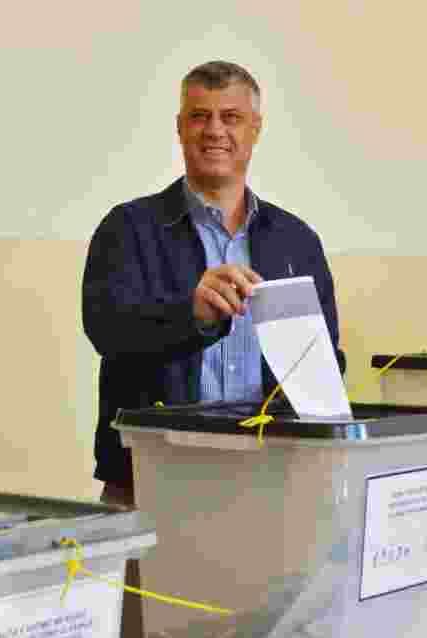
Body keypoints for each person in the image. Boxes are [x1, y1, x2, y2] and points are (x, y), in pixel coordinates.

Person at [82, 61, 345, 636]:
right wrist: (190, 314)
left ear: (256, 129)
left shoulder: (297, 240)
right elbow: (105, 326)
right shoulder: (127, 229)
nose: (214, 130)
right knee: (140, 626)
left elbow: (329, 363)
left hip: (270, 484)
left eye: (231, 117)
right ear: (179, 128)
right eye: (199, 116)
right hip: (147, 483)